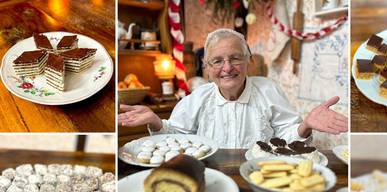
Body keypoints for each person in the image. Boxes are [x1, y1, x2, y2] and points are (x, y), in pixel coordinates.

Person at [118, 28, 348, 148]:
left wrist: (305, 125)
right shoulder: (196, 98)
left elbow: (287, 137)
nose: (227, 68)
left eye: (235, 58)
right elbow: (177, 139)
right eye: (217, 61)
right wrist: (156, 122)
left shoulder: (269, 91)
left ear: (249, 62)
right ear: (207, 68)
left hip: (261, 176)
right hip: (210, 178)